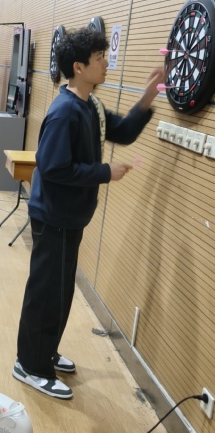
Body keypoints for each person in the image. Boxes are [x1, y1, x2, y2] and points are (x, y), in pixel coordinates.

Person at [12, 27, 164, 400]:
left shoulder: (90, 105)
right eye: (99, 59)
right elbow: (52, 168)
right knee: (46, 293)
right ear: (79, 67)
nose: (106, 64)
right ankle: (30, 365)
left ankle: (44, 351)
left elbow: (122, 131)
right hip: (53, 218)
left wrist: (148, 95)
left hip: (69, 218)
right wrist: (103, 172)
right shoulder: (65, 111)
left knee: (60, 292)